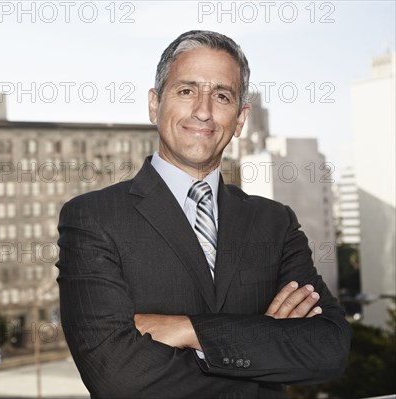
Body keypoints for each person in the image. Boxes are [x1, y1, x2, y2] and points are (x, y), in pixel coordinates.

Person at [56, 30, 351, 399]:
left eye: (222, 96)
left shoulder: (275, 222)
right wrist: (261, 340)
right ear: (154, 104)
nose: (203, 111)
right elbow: (117, 376)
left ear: (240, 119)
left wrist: (187, 330)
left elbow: (329, 348)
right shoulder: (93, 218)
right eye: (186, 91)